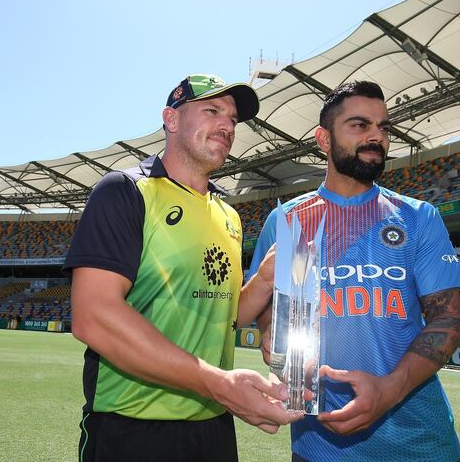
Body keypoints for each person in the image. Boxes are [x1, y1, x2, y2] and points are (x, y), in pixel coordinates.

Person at [64, 74, 300, 462]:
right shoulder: (125, 191)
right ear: (171, 119)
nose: (227, 125)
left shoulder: (229, 215)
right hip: (132, 427)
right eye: (212, 111)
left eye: (232, 119)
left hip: (214, 427)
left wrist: (264, 280)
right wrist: (218, 383)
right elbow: (93, 316)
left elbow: (221, 317)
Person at [250, 81, 460, 461]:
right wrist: (271, 331)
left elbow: (447, 318)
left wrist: (389, 390)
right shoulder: (286, 221)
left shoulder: (418, 217)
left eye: (383, 127)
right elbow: (265, 305)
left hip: (419, 444)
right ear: (323, 138)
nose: (376, 137)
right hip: (317, 445)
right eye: (359, 125)